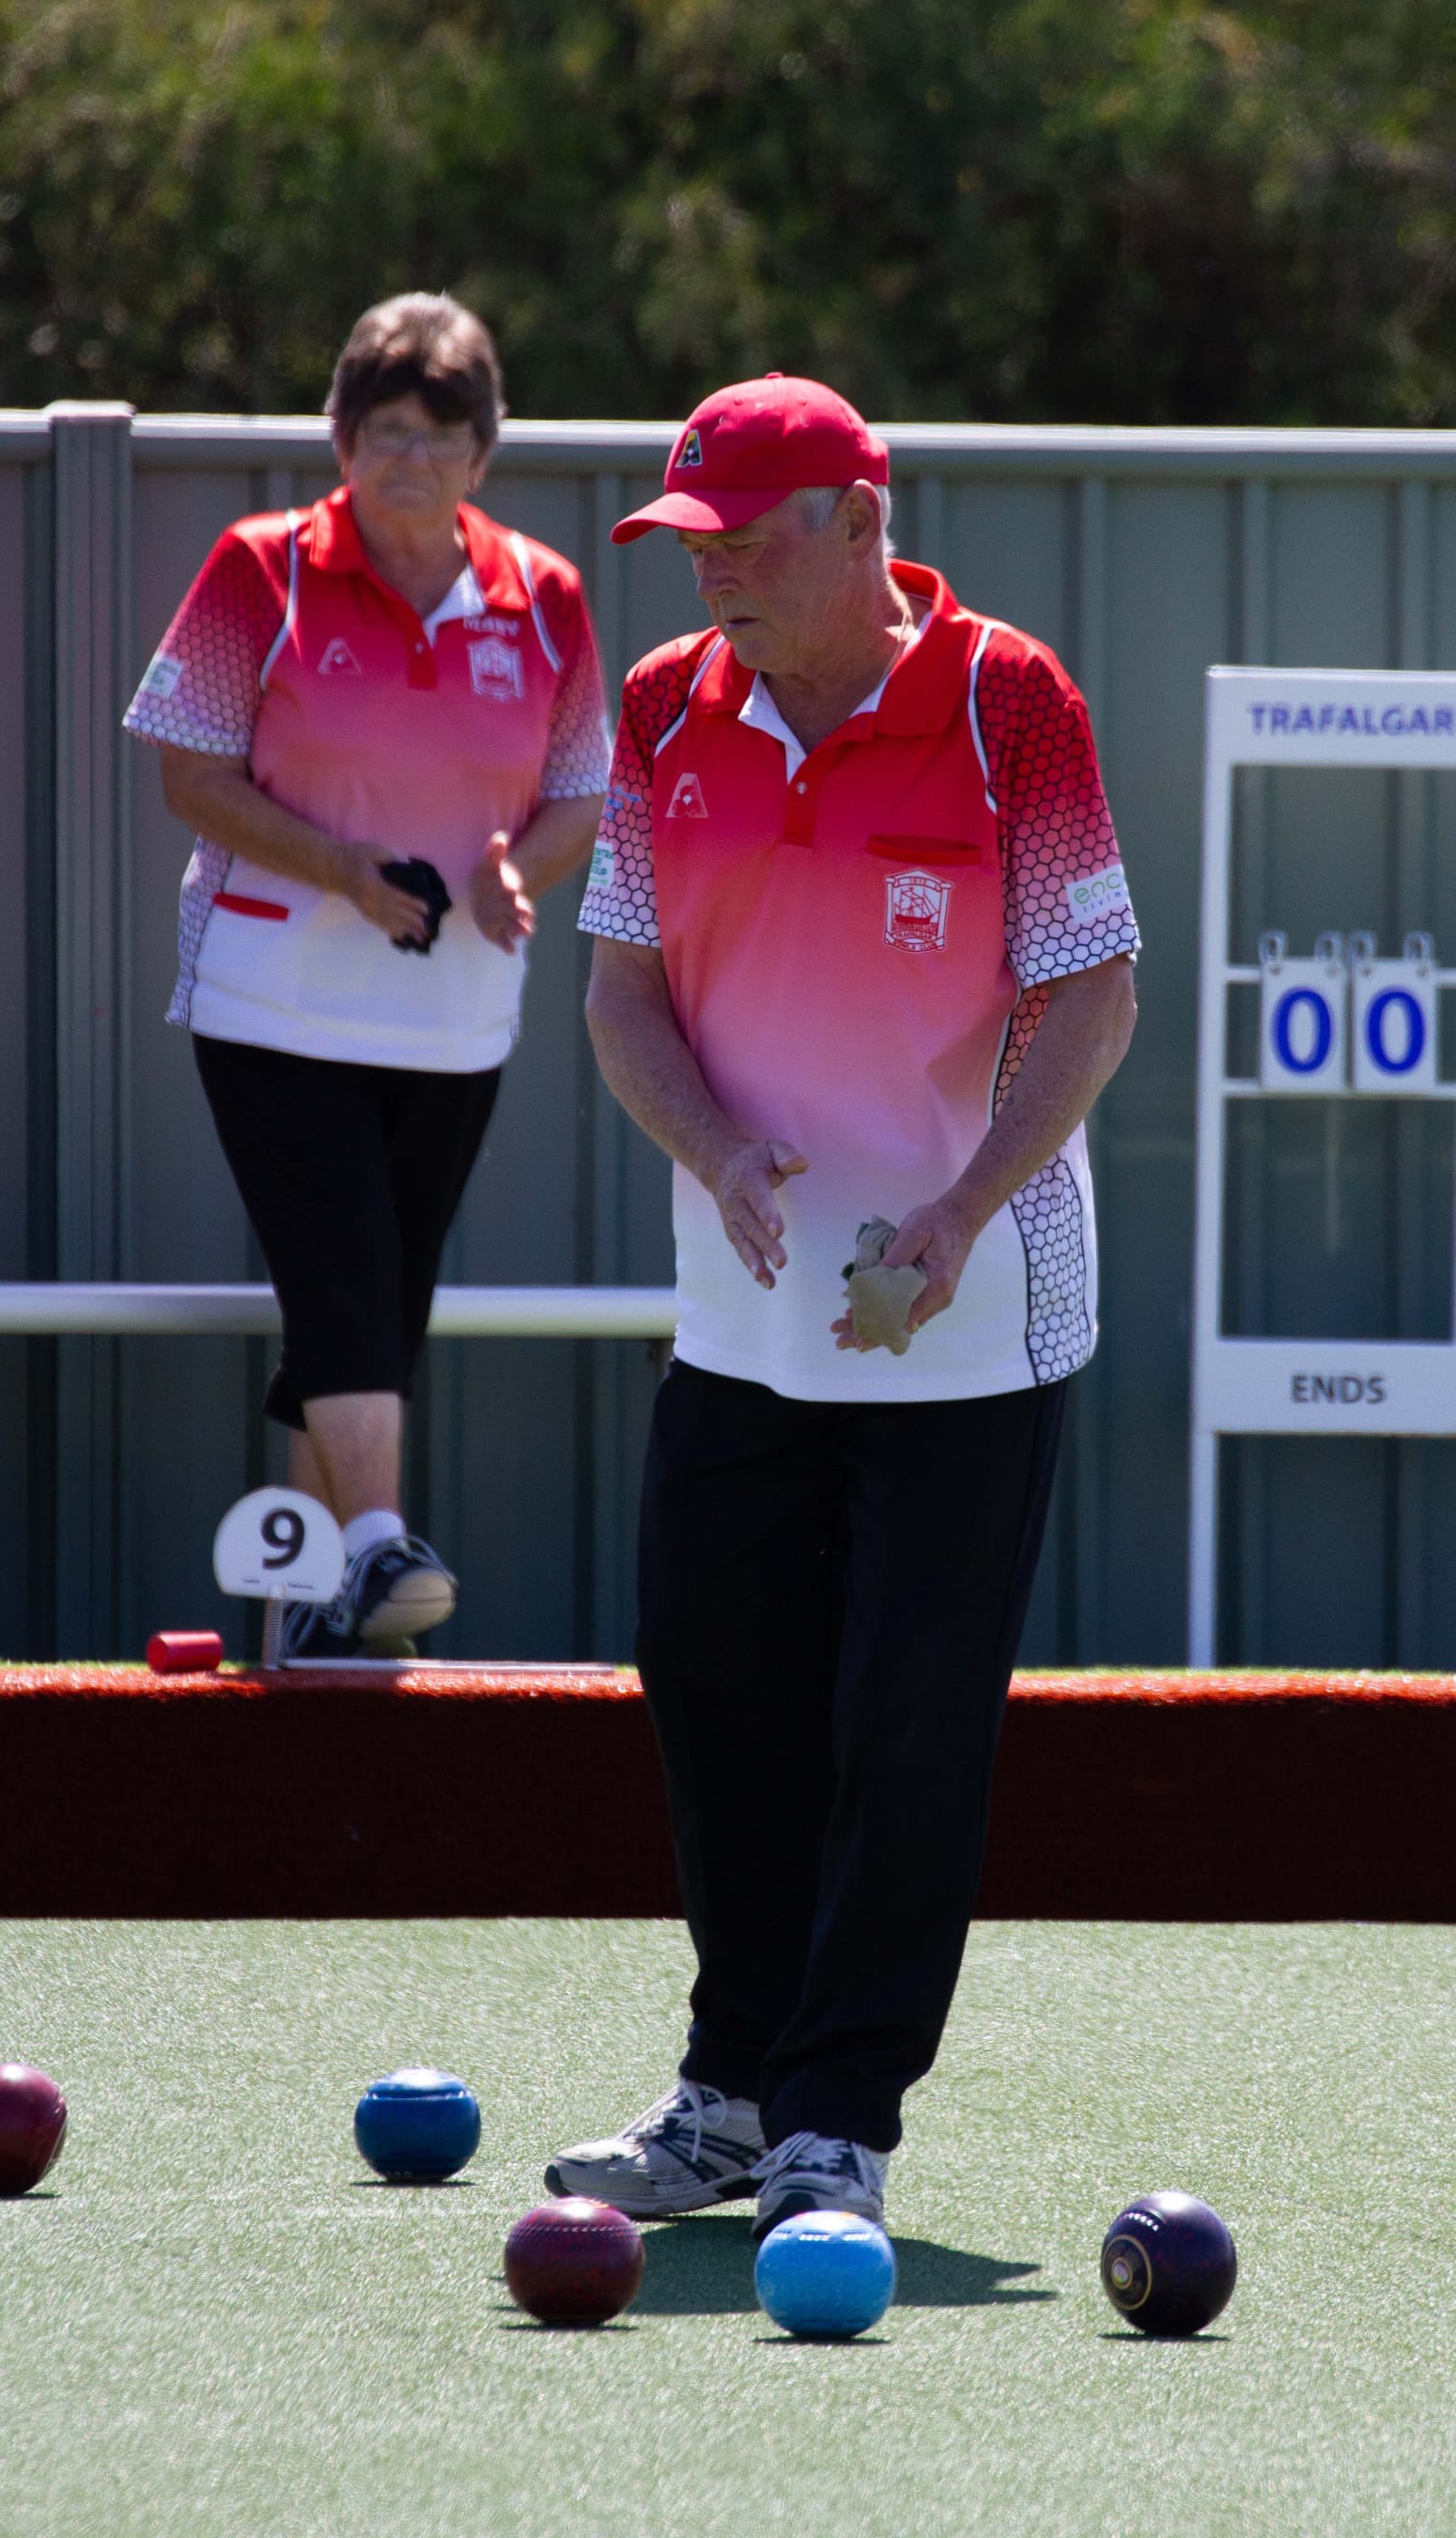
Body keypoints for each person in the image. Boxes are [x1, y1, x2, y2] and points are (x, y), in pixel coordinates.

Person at [551, 373, 1138, 2234]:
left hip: (971, 1300)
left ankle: (835, 2121)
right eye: (685, 541)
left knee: (905, 1715)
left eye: (741, 539)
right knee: (716, 1684)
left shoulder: (1004, 701)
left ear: (859, 528)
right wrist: (718, 1155)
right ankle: (725, 2090)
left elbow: (1091, 992)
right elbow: (621, 997)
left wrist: (966, 1210)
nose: (707, 572)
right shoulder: (663, 708)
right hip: (742, 1309)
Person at [123, 293, 610, 1658]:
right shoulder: (258, 568)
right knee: (343, 1276)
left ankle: (312, 1620)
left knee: (375, 1308)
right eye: (383, 430)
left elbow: (582, 789)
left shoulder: (545, 594)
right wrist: (338, 867)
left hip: (459, 1016)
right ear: (338, 440)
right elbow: (190, 771)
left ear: (484, 455)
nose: (408, 459)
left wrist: (524, 871)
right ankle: (387, 1545)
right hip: (270, 994)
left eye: (439, 434)